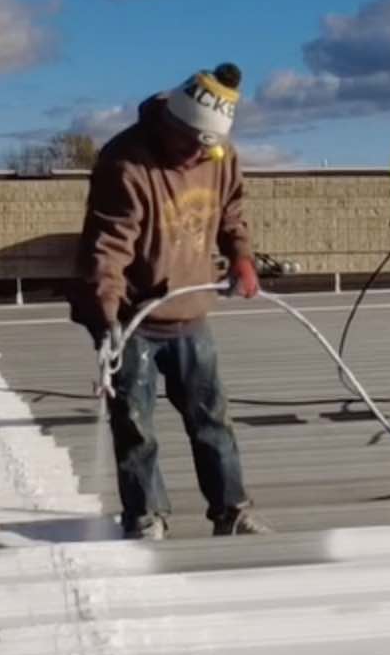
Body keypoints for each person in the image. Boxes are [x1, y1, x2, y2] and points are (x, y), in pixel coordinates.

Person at [74, 63, 268, 541]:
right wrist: (107, 320)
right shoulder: (127, 162)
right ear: (173, 125)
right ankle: (145, 516)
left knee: (212, 420)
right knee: (136, 426)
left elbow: (231, 212)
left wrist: (241, 255)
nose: (195, 157)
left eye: (206, 149)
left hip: (191, 309)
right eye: (189, 146)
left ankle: (231, 511)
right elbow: (109, 247)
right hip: (133, 314)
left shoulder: (219, 156)